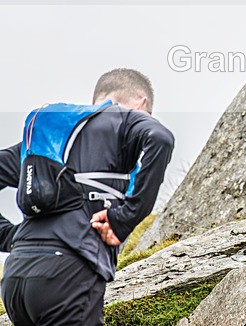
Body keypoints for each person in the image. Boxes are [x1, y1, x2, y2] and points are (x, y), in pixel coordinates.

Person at [0, 68, 175, 325]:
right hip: (68, 274)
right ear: (141, 103)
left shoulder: (47, 139)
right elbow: (161, 138)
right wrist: (125, 218)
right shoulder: (124, 118)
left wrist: (9, 236)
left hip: (16, 279)